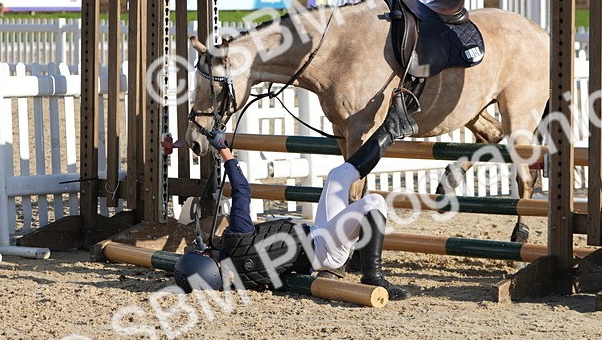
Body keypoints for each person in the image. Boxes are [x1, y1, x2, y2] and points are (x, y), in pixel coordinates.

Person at [174, 93, 420, 300]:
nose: (202, 247)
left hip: (318, 243)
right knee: (373, 202)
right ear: (208, 265)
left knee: (337, 176)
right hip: (325, 247)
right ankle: (373, 275)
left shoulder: (241, 278)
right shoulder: (235, 241)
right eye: (202, 252)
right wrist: (225, 151)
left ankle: (392, 128)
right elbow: (241, 190)